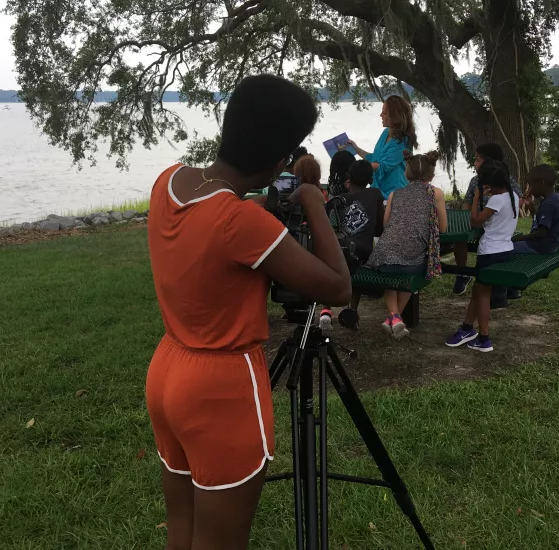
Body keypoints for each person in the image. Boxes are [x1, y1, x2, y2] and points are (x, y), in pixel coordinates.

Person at [146, 74, 351, 550]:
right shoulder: (241, 223)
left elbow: (215, 216)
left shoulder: (168, 182)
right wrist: (312, 201)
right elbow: (338, 286)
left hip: (167, 372)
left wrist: (267, 203)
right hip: (222, 389)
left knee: (183, 533)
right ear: (280, 158)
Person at [364, 150, 448, 340]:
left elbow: (386, 225)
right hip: (412, 259)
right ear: (432, 175)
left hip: (384, 254)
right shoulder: (436, 193)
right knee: (408, 270)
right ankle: (394, 317)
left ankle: (394, 317)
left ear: (406, 173)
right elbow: (442, 227)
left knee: (391, 274)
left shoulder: (395, 194)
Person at [445, 159, 519, 353]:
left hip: (490, 252)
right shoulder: (513, 197)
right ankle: (467, 328)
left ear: (490, 184)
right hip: (505, 249)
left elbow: (476, 221)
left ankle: (484, 337)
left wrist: (477, 197)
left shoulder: (496, 200)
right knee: (479, 291)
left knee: (482, 294)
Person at [318, 159, 385, 332]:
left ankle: (325, 311)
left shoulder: (340, 199)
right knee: (355, 266)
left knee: (340, 261)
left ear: (349, 179)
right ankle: (352, 312)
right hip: (362, 252)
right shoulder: (375, 194)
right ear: (370, 180)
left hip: (338, 250)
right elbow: (380, 226)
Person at [450, 143, 522, 298]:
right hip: (483, 223)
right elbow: (467, 203)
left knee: (482, 291)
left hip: (493, 228)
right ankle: (462, 273)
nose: (474, 163)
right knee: (459, 240)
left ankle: (505, 285)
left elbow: (514, 202)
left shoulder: (507, 181)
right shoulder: (475, 181)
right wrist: (464, 218)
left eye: (477, 160)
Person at [506, 164, 559, 299]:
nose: (530, 189)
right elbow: (542, 222)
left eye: (532, 185)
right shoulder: (556, 198)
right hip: (550, 244)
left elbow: (542, 233)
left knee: (504, 249)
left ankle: (506, 290)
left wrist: (519, 238)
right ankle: (511, 288)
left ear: (542, 183)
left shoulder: (549, 204)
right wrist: (531, 207)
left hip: (540, 246)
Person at [346, 96, 418, 200]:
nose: (380, 115)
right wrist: (356, 148)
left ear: (395, 116)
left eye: (384, 113)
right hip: (377, 190)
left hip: (395, 194)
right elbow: (374, 158)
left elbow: (383, 166)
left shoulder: (403, 141)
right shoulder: (386, 133)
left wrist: (357, 168)